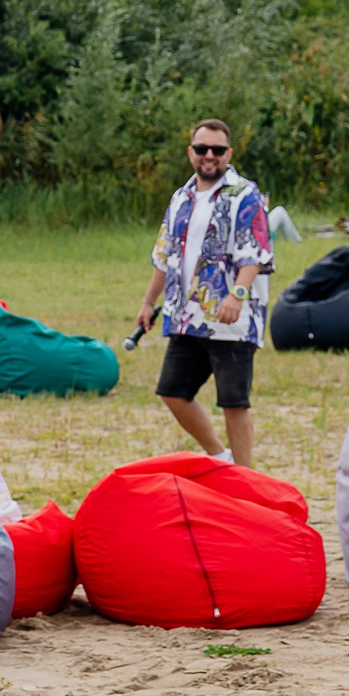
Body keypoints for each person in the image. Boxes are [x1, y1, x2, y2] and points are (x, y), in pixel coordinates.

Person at [135, 120, 272, 467]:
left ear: (229, 153)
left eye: (217, 150)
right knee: (173, 392)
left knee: (234, 403)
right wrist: (149, 302)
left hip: (232, 321)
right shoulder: (180, 197)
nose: (209, 155)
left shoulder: (244, 195)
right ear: (190, 153)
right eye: (201, 149)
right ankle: (220, 456)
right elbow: (164, 255)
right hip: (187, 317)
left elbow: (255, 252)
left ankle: (244, 478)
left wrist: (236, 295)